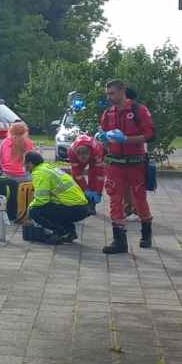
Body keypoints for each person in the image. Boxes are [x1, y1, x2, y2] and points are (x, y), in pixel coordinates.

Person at [97, 78, 155, 253]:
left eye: (112, 93)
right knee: (115, 200)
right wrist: (102, 139)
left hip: (135, 162)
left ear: (122, 91)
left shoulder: (138, 110)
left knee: (139, 198)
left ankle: (146, 234)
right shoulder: (108, 113)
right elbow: (104, 135)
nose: (109, 97)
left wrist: (127, 140)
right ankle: (119, 240)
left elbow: (150, 135)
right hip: (115, 163)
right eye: (107, 94)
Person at [25, 150, 92, 244]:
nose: (25, 167)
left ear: (30, 163)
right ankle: (70, 233)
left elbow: (41, 200)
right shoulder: (47, 167)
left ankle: (59, 232)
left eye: (25, 164)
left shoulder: (39, 173)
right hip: (82, 207)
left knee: (35, 211)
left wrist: (29, 209)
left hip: (74, 208)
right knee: (54, 208)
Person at [0, 120, 34, 221]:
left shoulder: (4, 142)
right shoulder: (28, 143)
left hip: (8, 175)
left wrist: (5, 169)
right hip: (24, 176)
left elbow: (1, 160)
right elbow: (31, 161)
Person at [67, 133, 106, 209]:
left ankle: (91, 204)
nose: (84, 160)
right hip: (79, 154)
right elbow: (77, 174)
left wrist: (98, 193)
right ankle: (80, 200)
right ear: (77, 155)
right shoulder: (71, 152)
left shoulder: (97, 152)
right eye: (81, 158)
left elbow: (100, 175)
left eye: (85, 157)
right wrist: (85, 189)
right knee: (76, 178)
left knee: (93, 176)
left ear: (89, 154)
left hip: (95, 154)